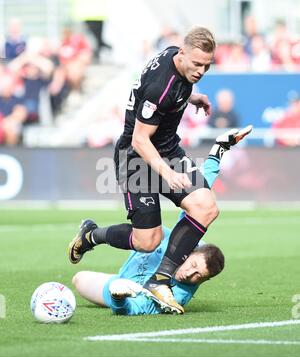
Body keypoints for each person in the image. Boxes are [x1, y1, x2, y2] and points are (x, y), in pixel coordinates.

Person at [68, 25, 252, 315]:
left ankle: (160, 280)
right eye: (197, 64)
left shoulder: (172, 58)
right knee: (147, 241)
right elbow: (140, 139)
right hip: (135, 157)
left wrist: (192, 97)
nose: (202, 71)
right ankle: (90, 235)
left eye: (207, 65)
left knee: (205, 207)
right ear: (182, 53)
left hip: (166, 149)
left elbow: (160, 91)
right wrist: (167, 174)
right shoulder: (161, 87)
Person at [72, 239, 225, 316]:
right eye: (192, 265)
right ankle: (93, 235)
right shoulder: (186, 241)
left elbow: (134, 308)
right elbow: (193, 210)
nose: (189, 273)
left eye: (198, 276)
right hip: (138, 251)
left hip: (124, 285)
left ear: (205, 281)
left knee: (78, 279)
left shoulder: (174, 298)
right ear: (190, 251)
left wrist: (118, 298)